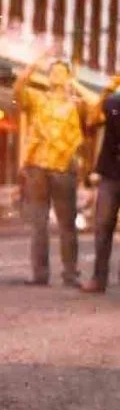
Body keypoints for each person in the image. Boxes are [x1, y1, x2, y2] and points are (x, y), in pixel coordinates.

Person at [14, 55, 92, 287]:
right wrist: (32, 66)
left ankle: (70, 274)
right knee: (38, 222)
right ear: (47, 77)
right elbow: (18, 90)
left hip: (64, 167)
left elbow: (96, 104)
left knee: (67, 223)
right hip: (37, 165)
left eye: (62, 72)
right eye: (53, 72)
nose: (57, 75)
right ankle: (39, 274)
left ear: (68, 77)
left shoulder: (77, 104)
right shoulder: (38, 98)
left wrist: (74, 84)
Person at [81, 76, 120, 293]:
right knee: (102, 226)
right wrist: (107, 90)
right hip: (111, 174)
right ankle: (98, 278)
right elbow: (92, 118)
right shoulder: (113, 102)